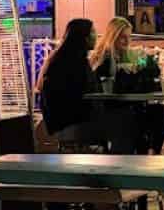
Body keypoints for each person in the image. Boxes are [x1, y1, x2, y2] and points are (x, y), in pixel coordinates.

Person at [37, 19, 133, 153]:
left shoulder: (61, 58)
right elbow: (87, 92)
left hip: (60, 122)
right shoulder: (77, 63)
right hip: (76, 120)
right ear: (83, 36)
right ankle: (121, 163)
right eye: (92, 32)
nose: (96, 36)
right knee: (127, 118)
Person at [89, 17, 164, 154]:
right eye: (122, 37)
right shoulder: (104, 57)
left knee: (161, 111)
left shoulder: (130, 55)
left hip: (130, 105)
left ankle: (153, 153)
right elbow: (101, 84)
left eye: (129, 37)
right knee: (135, 118)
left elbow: (146, 75)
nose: (127, 41)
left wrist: (144, 63)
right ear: (113, 37)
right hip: (109, 109)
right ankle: (137, 155)